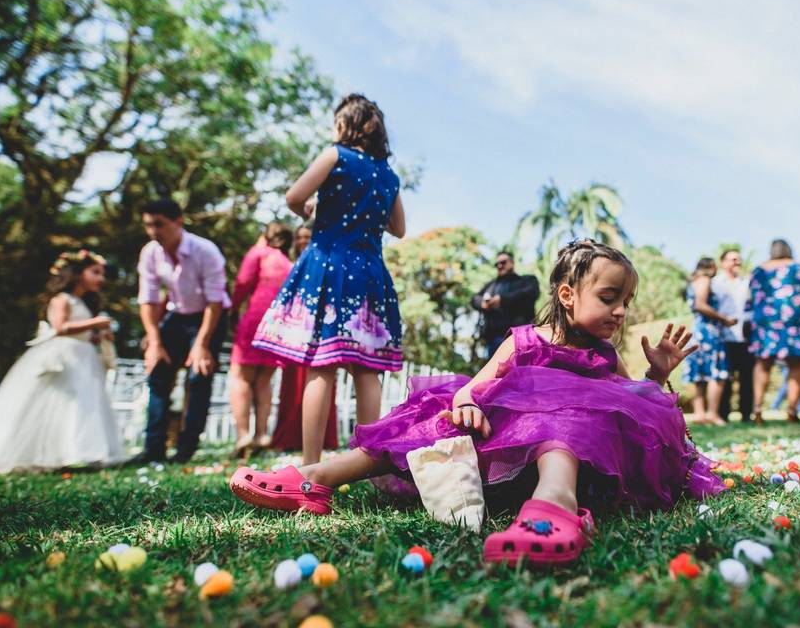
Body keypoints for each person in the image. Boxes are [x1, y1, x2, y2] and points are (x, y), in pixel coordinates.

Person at [230, 240, 724, 567]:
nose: (619, 311)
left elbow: (631, 407)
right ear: (569, 295)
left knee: (569, 420)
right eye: (610, 297)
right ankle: (318, 479)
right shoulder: (526, 341)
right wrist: (467, 406)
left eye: (626, 302)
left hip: (569, 458)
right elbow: (475, 388)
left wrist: (657, 375)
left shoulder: (602, 358)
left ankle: (555, 506)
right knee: (429, 415)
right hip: (500, 445)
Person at [253, 93, 405, 465]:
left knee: (322, 364)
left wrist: (309, 208)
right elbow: (398, 229)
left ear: (343, 125)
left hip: (330, 264)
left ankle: (311, 464)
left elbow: (294, 196)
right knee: (367, 368)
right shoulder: (388, 175)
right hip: (369, 271)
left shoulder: (335, 155)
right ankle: (363, 467)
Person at [0, 250, 124, 472]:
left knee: (85, 404)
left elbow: (82, 334)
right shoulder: (61, 299)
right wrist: (94, 322)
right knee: (57, 403)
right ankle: (43, 453)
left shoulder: (82, 302)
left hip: (84, 358)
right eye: (95, 272)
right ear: (77, 274)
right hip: (64, 358)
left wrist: (98, 336)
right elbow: (60, 327)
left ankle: (82, 451)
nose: (101, 279)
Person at [131, 199, 230, 464]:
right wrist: (154, 342)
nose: (153, 231)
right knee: (158, 373)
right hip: (177, 315)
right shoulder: (150, 253)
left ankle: (186, 449)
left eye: (159, 224)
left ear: (178, 222)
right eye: (148, 225)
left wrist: (202, 344)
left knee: (199, 377)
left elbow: (215, 301)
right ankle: (153, 450)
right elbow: (148, 300)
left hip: (210, 316)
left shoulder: (205, 251)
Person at [228, 222, 294, 456]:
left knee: (240, 376)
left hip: (255, 318)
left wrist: (233, 308)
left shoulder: (259, 253)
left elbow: (243, 282)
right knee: (263, 381)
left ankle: (243, 434)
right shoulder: (289, 264)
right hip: (278, 325)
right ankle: (261, 434)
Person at [272, 224, 339, 452]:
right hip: (296, 331)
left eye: (307, 237)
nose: (302, 241)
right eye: (299, 237)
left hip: (319, 333)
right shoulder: (293, 267)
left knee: (321, 379)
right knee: (291, 388)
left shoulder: (327, 263)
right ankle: (289, 438)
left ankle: (322, 440)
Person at [748, 239, 800, 424]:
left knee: (763, 363)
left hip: (765, 322)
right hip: (792, 321)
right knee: (796, 364)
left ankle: (757, 410)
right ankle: (792, 411)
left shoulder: (758, 270)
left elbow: (750, 297)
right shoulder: (798, 268)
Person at [682, 257, 733, 425]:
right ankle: (711, 413)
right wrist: (723, 318)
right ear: (711, 267)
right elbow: (701, 305)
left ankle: (699, 413)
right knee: (716, 372)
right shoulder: (704, 280)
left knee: (700, 373)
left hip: (698, 330)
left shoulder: (694, 281)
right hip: (708, 331)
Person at [471, 251, 540, 358]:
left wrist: (502, 300)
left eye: (503, 262)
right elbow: (474, 299)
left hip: (520, 339)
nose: (499, 266)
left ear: (512, 263)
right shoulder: (490, 285)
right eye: (497, 264)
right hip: (493, 340)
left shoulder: (526, 280)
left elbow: (532, 292)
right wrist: (483, 303)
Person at [713, 249, 754, 422]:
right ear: (723, 262)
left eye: (739, 259)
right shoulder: (714, 283)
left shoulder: (746, 283)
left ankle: (746, 413)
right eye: (732, 259)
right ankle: (723, 414)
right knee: (725, 377)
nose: (737, 262)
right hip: (723, 336)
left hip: (745, 336)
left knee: (747, 377)